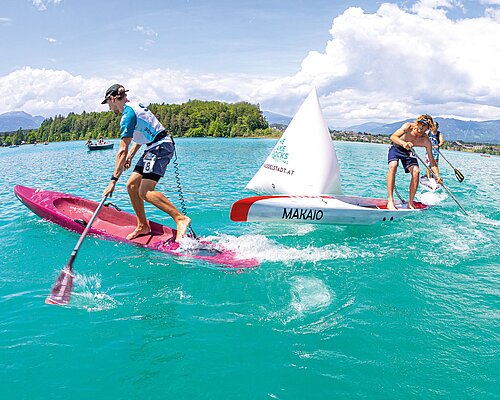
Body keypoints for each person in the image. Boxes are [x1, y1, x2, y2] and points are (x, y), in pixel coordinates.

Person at [101, 84, 191, 242]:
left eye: (108, 103)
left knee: (145, 191)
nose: (109, 107)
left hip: (160, 147)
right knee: (132, 186)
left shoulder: (127, 115)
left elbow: (121, 149)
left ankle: (180, 219)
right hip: (154, 146)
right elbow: (143, 136)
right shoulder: (133, 106)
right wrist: (130, 156)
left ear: (112, 98)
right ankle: (143, 225)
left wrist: (112, 181)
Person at [386, 114, 443, 210]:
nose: (420, 127)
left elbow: (432, 162)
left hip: (409, 152)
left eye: (424, 125)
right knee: (393, 165)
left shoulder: (426, 141)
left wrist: (437, 175)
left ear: (428, 128)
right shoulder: (408, 126)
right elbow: (393, 137)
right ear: (417, 123)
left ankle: (410, 202)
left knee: (416, 171)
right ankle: (390, 201)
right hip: (396, 148)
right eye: (420, 123)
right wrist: (404, 143)